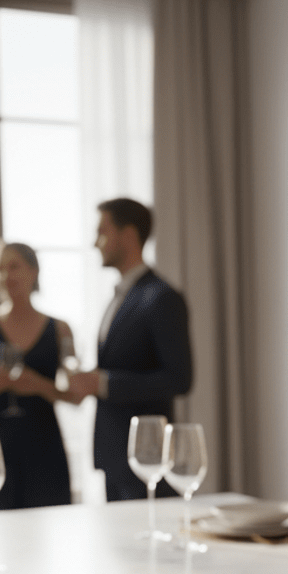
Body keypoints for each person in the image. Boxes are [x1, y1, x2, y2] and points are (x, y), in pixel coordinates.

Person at [67, 199, 193, 501]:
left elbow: (179, 378)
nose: (95, 242)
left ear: (128, 235)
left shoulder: (161, 297)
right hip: (114, 455)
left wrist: (103, 383)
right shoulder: (121, 296)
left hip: (148, 456)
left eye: (102, 232)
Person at [0, 240, 74, 509]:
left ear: (33, 271)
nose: (6, 275)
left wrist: (39, 385)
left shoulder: (60, 329)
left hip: (45, 443)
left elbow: (74, 394)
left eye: (14, 266)